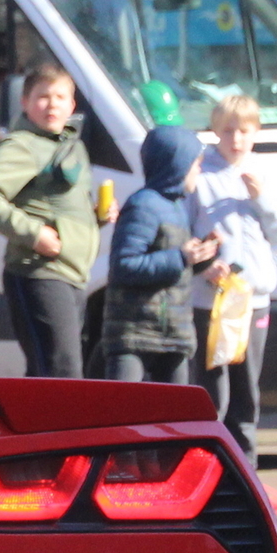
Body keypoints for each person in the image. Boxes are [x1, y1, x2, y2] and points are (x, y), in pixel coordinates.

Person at [0, 63, 98, 378]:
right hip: (39, 273)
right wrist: (33, 233)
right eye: (42, 97)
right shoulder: (22, 144)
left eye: (60, 97)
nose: (52, 104)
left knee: (50, 374)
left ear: (72, 105)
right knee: (62, 372)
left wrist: (98, 218)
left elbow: (58, 209)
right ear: (24, 103)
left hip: (73, 273)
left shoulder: (71, 145)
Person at [190, 94, 277, 464]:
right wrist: (203, 265)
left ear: (256, 133)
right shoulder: (200, 175)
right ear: (215, 132)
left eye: (244, 131)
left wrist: (262, 199)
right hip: (211, 298)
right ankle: (208, 463)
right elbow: (186, 232)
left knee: (247, 388)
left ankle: (246, 466)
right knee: (213, 387)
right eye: (227, 130)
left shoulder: (265, 175)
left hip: (253, 298)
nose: (235, 139)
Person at [100, 124, 216, 383]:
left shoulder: (177, 208)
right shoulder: (143, 206)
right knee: (122, 412)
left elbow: (174, 268)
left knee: (173, 417)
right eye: (195, 163)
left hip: (173, 335)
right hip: (134, 335)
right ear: (176, 165)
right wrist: (181, 257)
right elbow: (124, 265)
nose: (199, 170)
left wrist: (202, 257)